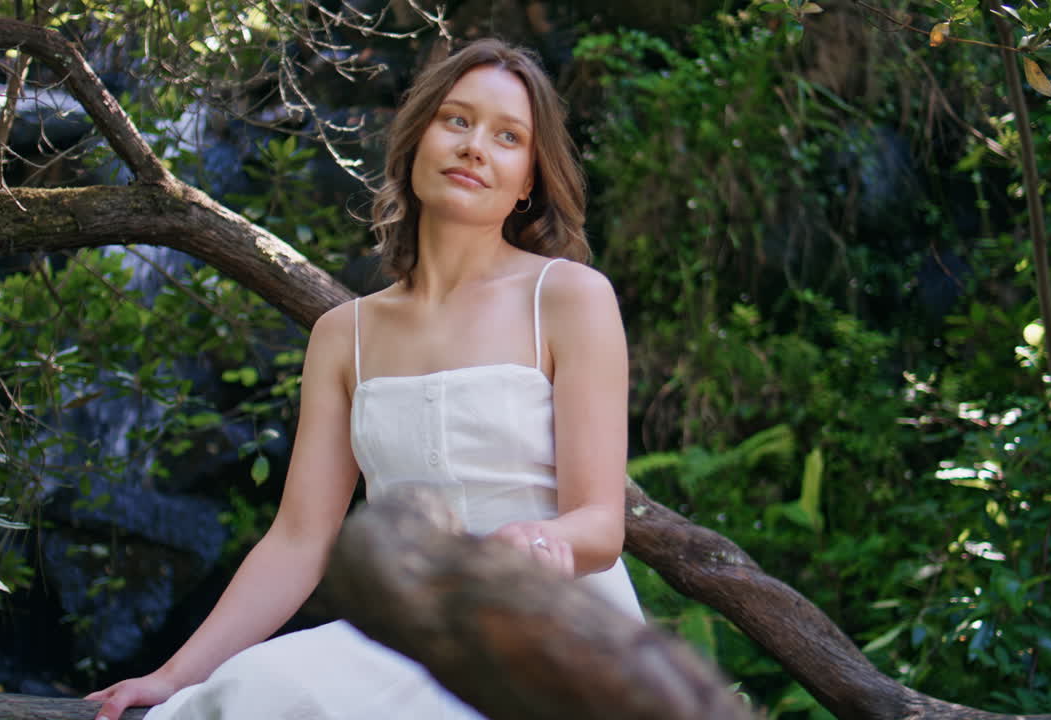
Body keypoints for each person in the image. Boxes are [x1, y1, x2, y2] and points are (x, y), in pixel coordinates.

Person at [87, 38, 642, 720]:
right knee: (251, 695)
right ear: (415, 142)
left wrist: (542, 541)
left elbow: (600, 524)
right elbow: (300, 540)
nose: (475, 147)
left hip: (549, 617)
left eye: (507, 136)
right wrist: (174, 677)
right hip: (411, 627)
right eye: (456, 120)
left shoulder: (568, 298)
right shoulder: (342, 335)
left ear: (528, 179)